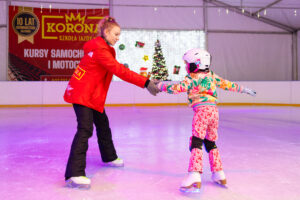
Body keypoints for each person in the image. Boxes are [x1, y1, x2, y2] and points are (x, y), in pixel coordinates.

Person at [63, 16, 160, 189]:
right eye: (115, 34)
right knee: (85, 129)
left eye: (119, 34)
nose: (118, 37)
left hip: (92, 96)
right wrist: (145, 82)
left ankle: (109, 156)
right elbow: (119, 70)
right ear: (106, 32)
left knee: (103, 125)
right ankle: (74, 174)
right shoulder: (100, 50)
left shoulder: (102, 48)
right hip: (83, 95)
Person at [156, 48, 256, 192]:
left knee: (196, 141)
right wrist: (244, 89)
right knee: (210, 142)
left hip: (201, 112)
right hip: (214, 112)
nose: (185, 66)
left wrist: (160, 85)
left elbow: (177, 88)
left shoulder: (191, 78)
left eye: (187, 63)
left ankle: (194, 174)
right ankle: (218, 173)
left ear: (195, 64)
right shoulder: (212, 76)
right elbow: (227, 84)